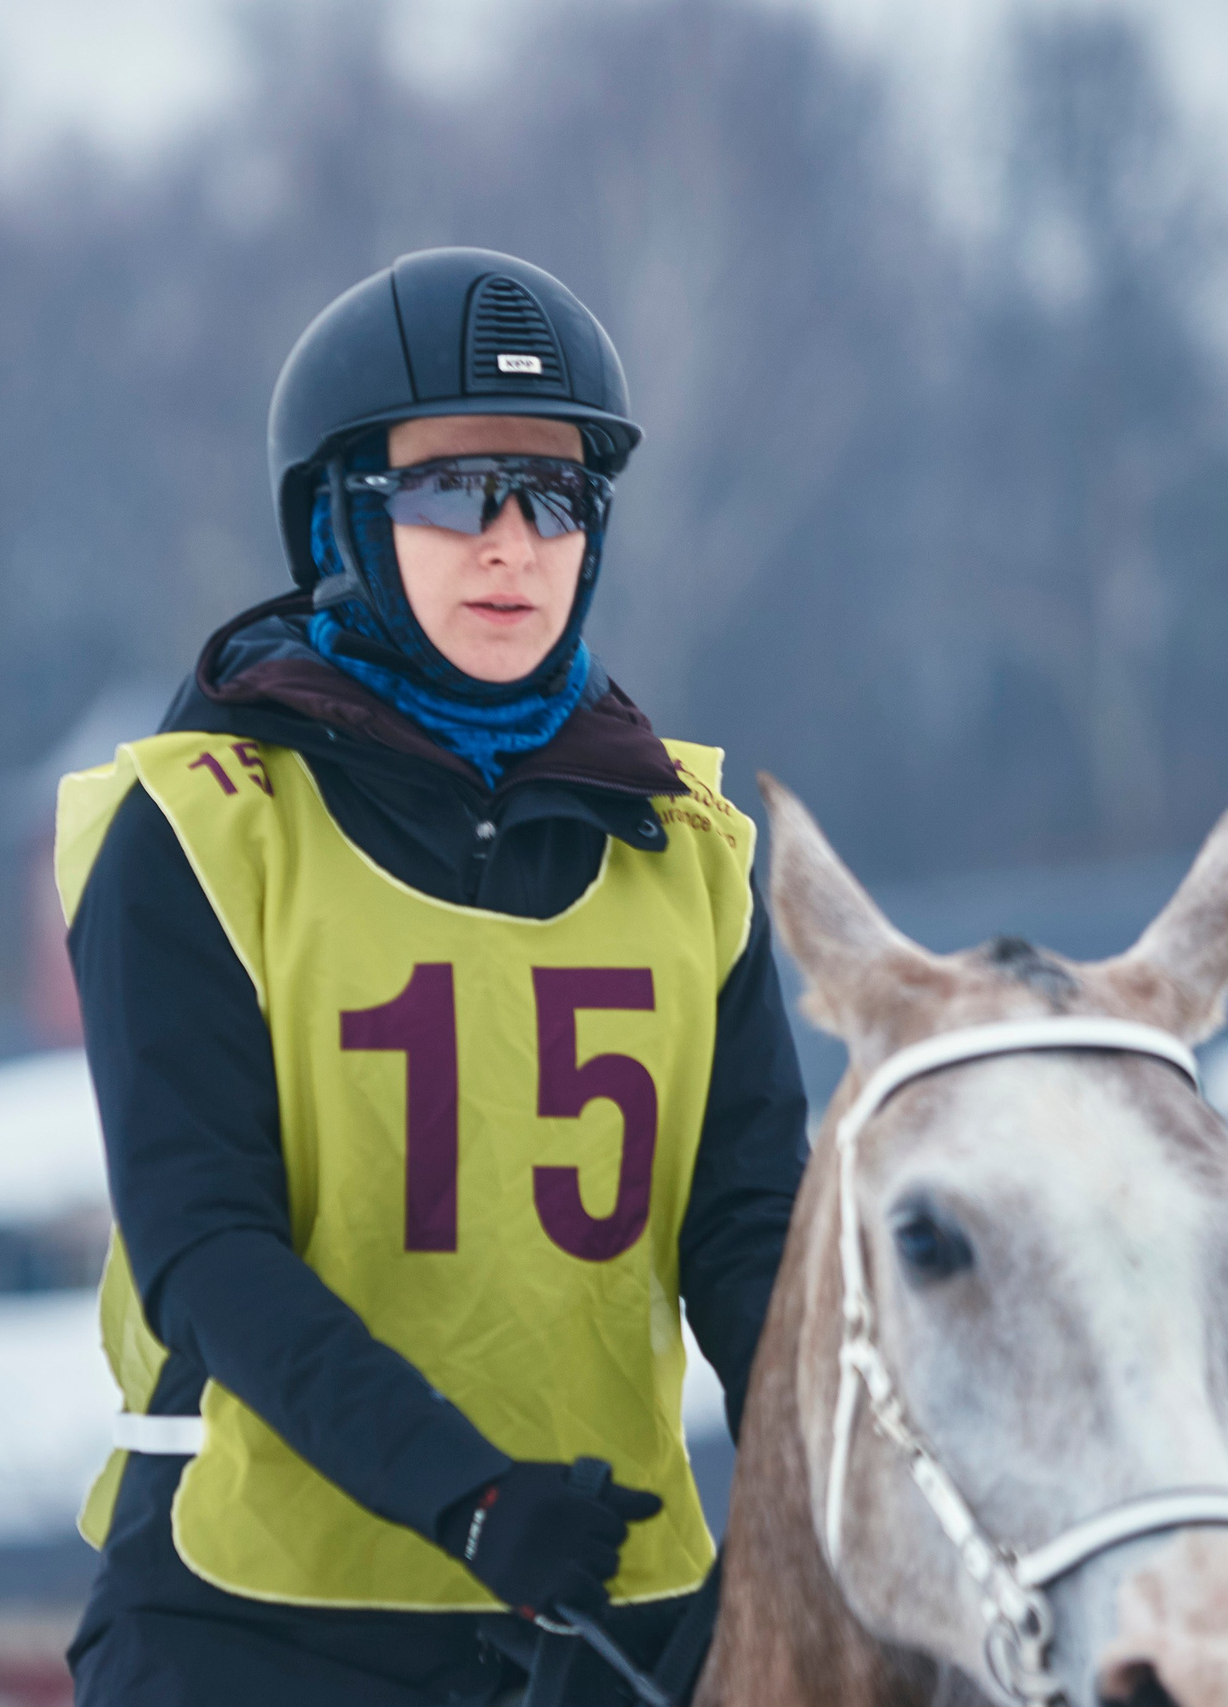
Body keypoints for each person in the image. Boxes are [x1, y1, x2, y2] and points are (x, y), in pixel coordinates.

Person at [57, 247, 808, 1706]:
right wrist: (464, 1495)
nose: (513, 545)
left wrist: (827, 1496)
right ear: (339, 514)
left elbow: (748, 1234)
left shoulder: (695, 845)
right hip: (252, 1627)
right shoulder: (202, 824)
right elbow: (206, 1250)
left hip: (606, 1624)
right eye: (457, 493)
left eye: (560, 500)